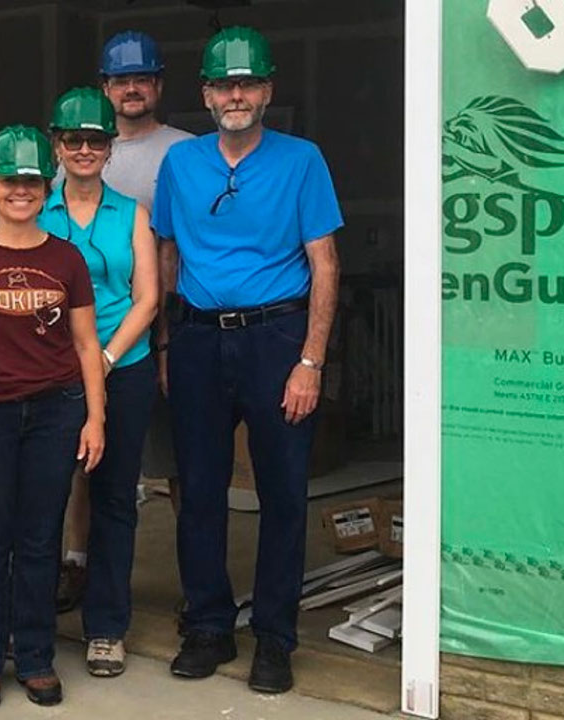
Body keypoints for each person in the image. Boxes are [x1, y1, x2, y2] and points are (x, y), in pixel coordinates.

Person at [154, 27, 342, 694]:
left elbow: (325, 264)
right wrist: (169, 343)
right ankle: (207, 626)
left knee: (283, 495)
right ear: (205, 93)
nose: (237, 94)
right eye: (224, 84)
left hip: (276, 338)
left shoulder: (302, 161)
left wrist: (310, 361)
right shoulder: (181, 164)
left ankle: (273, 638)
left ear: (267, 91)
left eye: (249, 83)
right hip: (200, 337)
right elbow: (168, 257)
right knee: (199, 490)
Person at [0, 125, 107, 709]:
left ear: (45, 185)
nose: (21, 191)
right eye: (10, 180)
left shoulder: (67, 259)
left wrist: (95, 419)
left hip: (56, 412)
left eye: (32, 180)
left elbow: (87, 346)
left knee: (39, 541)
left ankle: (34, 656)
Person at [55, 30, 195, 614]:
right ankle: (78, 567)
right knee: (86, 466)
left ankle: (195, 583)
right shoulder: (54, 184)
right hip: (74, 347)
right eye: (120, 80)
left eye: (142, 78)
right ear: (105, 90)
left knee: (178, 464)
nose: (132, 88)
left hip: (165, 327)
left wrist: (158, 341)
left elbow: (181, 248)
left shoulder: (185, 151)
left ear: (158, 85)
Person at [37, 87, 158, 678]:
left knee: (114, 499)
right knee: (42, 497)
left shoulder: (132, 213)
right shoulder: (36, 211)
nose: (85, 149)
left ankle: (106, 626)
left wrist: (105, 359)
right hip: (50, 374)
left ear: (110, 149)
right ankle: (32, 621)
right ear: (57, 147)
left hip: (123, 367)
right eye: (73, 140)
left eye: (96, 140)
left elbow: (149, 296)